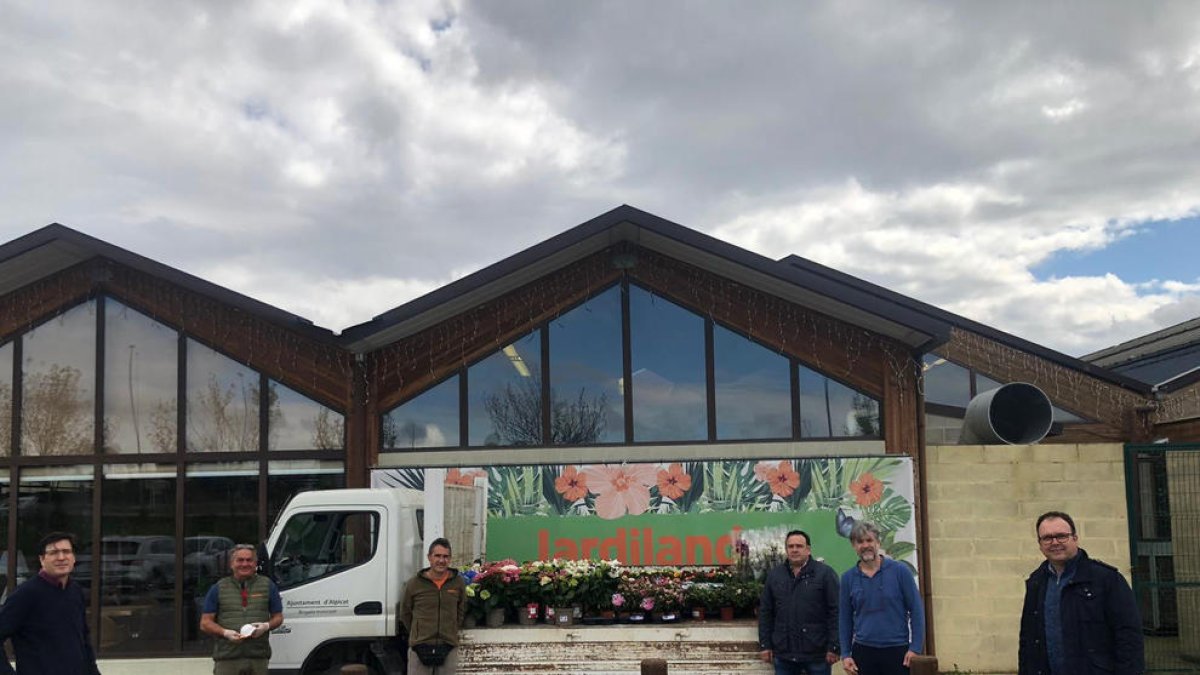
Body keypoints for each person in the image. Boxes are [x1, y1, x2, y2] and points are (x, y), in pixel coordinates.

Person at [1018, 511, 1144, 675]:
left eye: (1061, 536)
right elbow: (1027, 639)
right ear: (1040, 543)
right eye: (1047, 538)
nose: (1055, 542)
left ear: (1075, 538)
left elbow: (1129, 635)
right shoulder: (1036, 582)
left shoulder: (1106, 579)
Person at [0, 532, 101, 675]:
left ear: (73, 558)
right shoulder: (26, 594)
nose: (61, 557)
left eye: (66, 551)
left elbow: (83, 640)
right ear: (42, 559)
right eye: (53, 552)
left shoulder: (75, 591)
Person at [839, 522, 925, 675]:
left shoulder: (900, 572)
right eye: (860, 542)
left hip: (898, 651)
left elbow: (916, 610)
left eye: (869, 540)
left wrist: (915, 648)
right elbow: (845, 619)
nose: (865, 545)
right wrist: (845, 654)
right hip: (863, 652)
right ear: (854, 546)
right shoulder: (848, 578)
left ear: (878, 542)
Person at [758, 529, 840, 675]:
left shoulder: (825, 574)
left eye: (799, 546)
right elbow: (766, 612)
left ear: (808, 549)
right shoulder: (775, 575)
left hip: (817, 654)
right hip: (784, 655)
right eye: (791, 546)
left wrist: (834, 646)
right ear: (786, 549)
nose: (794, 550)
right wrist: (765, 645)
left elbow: (836, 612)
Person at [199, 544, 284, 675]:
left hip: (258, 658)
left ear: (255, 563)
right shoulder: (218, 588)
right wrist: (225, 633)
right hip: (227, 658)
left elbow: (278, 617)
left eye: (249, 560)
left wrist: (266, 626)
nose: (245, 564)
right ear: (231, 564)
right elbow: (205, 623)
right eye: (240, 560)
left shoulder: (268, 585)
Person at [401, 538, 467, 675]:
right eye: (437, 556)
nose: (441, 560)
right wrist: (418, 633)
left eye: (445, 556)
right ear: (429, 557)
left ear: (450, 559)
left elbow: (461, 609)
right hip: (420, 646)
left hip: (448, 646)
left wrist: (451, 629)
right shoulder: (414, 584)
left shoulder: (457, 583)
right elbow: (405, 612)